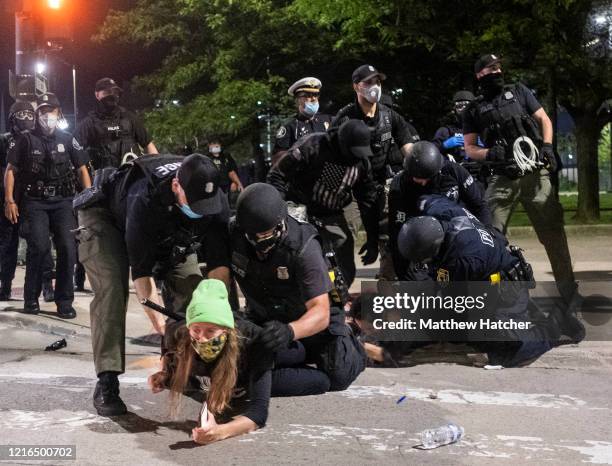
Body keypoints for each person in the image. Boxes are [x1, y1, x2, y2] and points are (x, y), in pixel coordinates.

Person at [75, 153, 231, 416]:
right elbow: (143, 278)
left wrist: (216, 317)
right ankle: (107, 380)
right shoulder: (143, 198)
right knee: (112, 292)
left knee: (195, 294)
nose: (202, 210)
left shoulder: (214, 200)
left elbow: (219, 267)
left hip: (169, 234)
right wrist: (165, 328)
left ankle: (187, 370)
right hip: (107, 218)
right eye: (195, 203)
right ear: (176, 187)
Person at [396, 195, 585, 367]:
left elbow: (445, 296)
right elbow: (427, 199)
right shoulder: (442, 211)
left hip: (507, 289)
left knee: (508, 352)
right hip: (486, 277)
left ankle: (556, 324)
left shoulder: (463, 260)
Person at [229, 183, 366, 393]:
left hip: (311, 317)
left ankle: (351, 338)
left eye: (265, 235)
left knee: (339, 375)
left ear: (279, 224)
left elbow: (320, 312)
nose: (259, 243)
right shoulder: (235, 232)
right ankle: (299, 357)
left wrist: (289, 331)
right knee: (243, 364)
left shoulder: (303, 248)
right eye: (253, 236)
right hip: (266, 315)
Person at [462, 54, 577, 305]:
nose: (498, 70)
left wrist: (547, 147)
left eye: (499, 66)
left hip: (535, 175)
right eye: (492, 68)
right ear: (480, 74)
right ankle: (490, 299)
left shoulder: (519, 91)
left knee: (553, 235)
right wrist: (490, 153)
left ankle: (569, 294)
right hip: (503, 178)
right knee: (489, 238)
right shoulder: (474, 109)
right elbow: (469, 148)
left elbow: (543, 119)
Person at [4, 93, 91, 317]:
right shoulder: (26, 139)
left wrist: (88, 199)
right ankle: (31, 299)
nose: (46, 115)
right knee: (39, 248)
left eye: (50, 111)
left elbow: (82, 170)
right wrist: (10, 200)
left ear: (58, 113)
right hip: (35, 202)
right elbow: (10, 171)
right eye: (42, 111)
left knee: (67, 248)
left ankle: (64, 300)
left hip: (63, 202)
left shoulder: (67, 138)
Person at [267, 120, 380, 287]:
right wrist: (282, 211)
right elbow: (277, 175)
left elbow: (368, 201)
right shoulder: (313, 146)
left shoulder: (361, 163)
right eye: (352, 152)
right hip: (298, 207)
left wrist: (372, 240)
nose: (355, 157)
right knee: (294, 250)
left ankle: (339, 298)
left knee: (343, 253)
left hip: (331, 212)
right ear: (342, 144)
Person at [388, 141, 492, 280]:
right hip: (422, 239)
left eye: (426, 178)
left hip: (456, 234)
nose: (422, 183)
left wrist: (489, 233)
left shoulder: (454, 172)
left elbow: (479, 206)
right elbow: (398, 232)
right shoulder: (399, 186)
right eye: (417, 178)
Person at [74, 77, 157, 170]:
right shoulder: (89, 123)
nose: (112, 95)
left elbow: (149, 145)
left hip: (132, 177)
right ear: (97, 95)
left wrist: (156, 170)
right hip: (105, 181)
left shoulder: (129, 117)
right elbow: (75, 152)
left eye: (115, 92)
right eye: (107, 92)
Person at [272, 77, 332, 165]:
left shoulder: (328, 120)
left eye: (316, 95)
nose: (313, 99)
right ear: (297, 99)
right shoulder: (289, 126)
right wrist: (296, 155)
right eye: (308, 95)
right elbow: (277, 158)